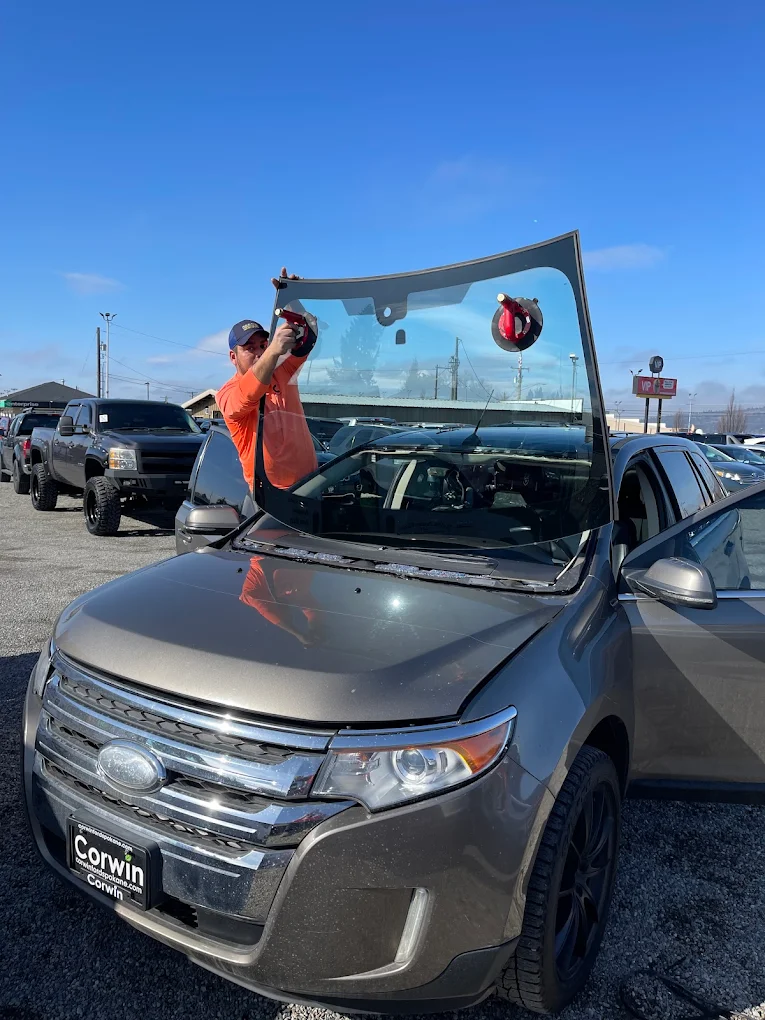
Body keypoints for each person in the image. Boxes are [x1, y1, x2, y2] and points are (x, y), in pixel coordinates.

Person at [217, 269, 317, 492]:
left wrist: (293, 301)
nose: (259, 352)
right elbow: (248, 393)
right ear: (233, 357)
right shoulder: (226, 393)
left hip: (310, 487)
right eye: (249, 348)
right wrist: (272, 351)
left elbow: (308, 336)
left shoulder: (283, 370)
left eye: (262, 345)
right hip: (270, 499)